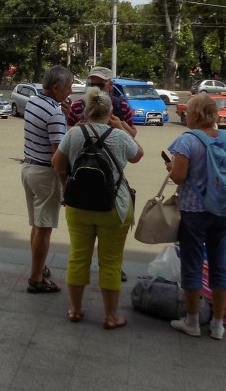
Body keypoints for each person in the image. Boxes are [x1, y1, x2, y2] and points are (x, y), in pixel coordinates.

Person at [52, 87, 143, 326]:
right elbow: (138, 155)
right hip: (114, 206)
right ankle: (111, 316)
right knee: (111, 262)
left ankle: (75, 309)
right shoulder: (119, 135)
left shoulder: (73, 134)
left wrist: (66, 188)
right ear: (109, 111)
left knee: (78, 257)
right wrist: (121, 126)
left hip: (78, 205)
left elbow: (58, 164)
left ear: (86, 111)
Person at [166, 93, 226, 340]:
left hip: (194, 211)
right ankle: (218, 325)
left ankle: (192, 322)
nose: (185, 116)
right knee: (219, 263)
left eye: (187, 112)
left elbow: (179, 177)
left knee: (192, 263)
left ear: (197, 115)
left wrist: (171, 168)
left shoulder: (187, 140)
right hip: (223, 210)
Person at [20, 65, 73, 294]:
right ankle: (36, 278)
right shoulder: (55, 114)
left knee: (37, 225)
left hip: (29, 168)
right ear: (56, 88)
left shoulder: (33, 101)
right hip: (45, 175)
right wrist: (65, 186)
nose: (70, 92)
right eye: (69, 88)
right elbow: (57, 157)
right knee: (44, 228)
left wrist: (65, 117)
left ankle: (39, 266)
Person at [68, 66, 136, 138]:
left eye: (100, 85)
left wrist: (121, 128)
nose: (96, 88)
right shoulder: (77, 106)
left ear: (111, 85)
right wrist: (76, 128)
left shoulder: (122, 107)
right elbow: (65, 129)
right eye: (92, 85)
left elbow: (133, 133)